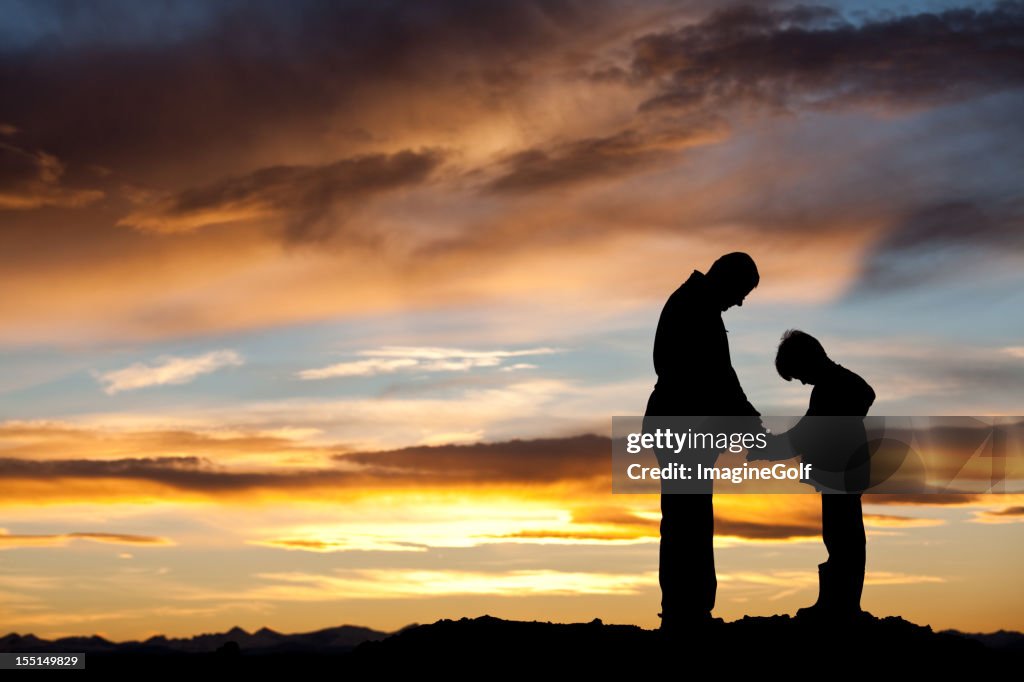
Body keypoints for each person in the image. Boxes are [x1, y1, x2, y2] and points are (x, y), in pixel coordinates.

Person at [643, 252, 761, 631]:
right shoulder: (695, 307)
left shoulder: (696, 304)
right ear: (725, 278)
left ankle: (688, 609)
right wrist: (749, 422)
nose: (740, 302)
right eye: (741, 292)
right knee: (686, 520)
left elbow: (718, 378)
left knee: (687, 518)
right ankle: (685, 612)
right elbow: (717, 376)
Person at [753, 329, 875, 620]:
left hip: (842, 472)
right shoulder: (830, 386)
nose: (803, 381)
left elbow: (805, 433)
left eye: (799, 374)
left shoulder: (834, 385)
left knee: (843, 537)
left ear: (809, 360)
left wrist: (770, 449)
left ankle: (841, 607)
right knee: (838, 536)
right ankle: (837, 603)